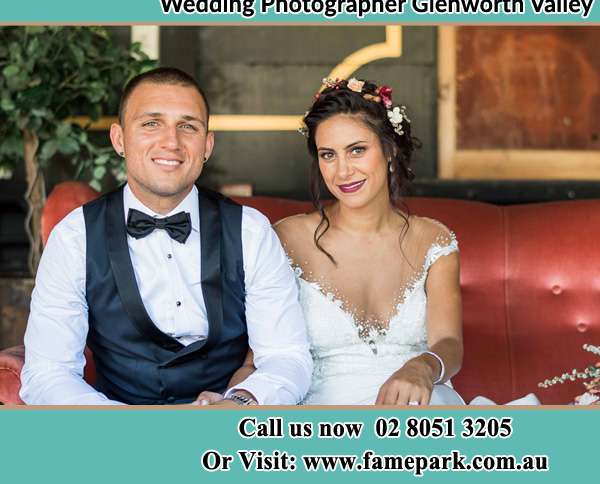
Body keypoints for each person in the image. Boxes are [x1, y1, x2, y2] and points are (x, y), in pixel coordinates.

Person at [20, 67, 312, 405]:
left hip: (223, 441)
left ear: (207, 144)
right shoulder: (74, 237)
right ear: (119, 139)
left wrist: (242, 402)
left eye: (187, 126)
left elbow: (287, 355)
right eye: (151, 124)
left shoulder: (251, 231)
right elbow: (48, 372)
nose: (171, 142)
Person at [274, 78, 464, 405]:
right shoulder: (286, 239)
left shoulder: (434, 240)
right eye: (328, 155)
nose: (343, 171)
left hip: (419, 407)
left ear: (389, 150)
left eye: (357, 150)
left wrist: (424, 366)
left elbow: (449, 341)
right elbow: (260, 356)